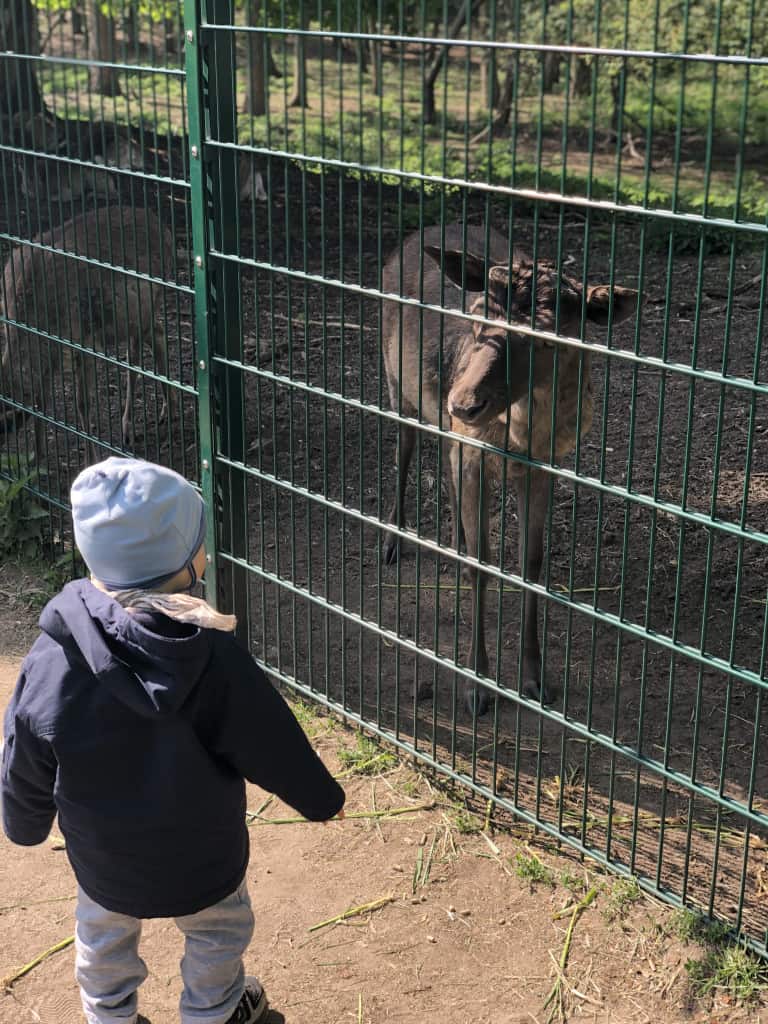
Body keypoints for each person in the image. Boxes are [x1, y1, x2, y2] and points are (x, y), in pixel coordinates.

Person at [1, 456, 346, 1024]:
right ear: (189, 567)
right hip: (203, 857)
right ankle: (214, 1012)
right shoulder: (212, 656)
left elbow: (26, 747)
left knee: (101, 941)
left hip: (104, 860)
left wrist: (24, 823)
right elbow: (269, 737)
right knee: (217, 933)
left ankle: (110, 1016)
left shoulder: (53, 658)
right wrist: (320, 800)